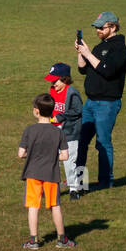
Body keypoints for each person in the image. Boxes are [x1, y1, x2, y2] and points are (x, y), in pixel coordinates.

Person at [74, 12, 126, 192]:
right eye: (96, 27)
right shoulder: (99, 47)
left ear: (112, 27)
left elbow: (108, 71)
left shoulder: (119, 49)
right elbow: (83, 70)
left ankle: (106, 182)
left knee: (103, 142)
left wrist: (88, 54)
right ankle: (78, 181)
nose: (97, 30)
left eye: (101, 27)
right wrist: (81, 53)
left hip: (107, 104)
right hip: (90, 103)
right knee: (81, 142)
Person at [18, 93, 76, 249]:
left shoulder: (29, 130)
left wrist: (32, 154)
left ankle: (33, 241)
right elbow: (65, 155)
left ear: (36, 111)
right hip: (51, 174)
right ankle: (62, 239)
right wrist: (51, 156)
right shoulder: (58, 132)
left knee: (33, 206)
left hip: (32, 173)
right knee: (55, 206)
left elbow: (21, 153)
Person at [45, 63, 83, 200]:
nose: (53, 83)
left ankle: (73, 189)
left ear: (64, 79)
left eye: (55, 80)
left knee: (69, 161)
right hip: (53, 131)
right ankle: (52, 187)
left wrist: (60, 117)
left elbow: (77, 110)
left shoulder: (72, 93)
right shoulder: (52, 91)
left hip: (70, 132)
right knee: (52, 160)